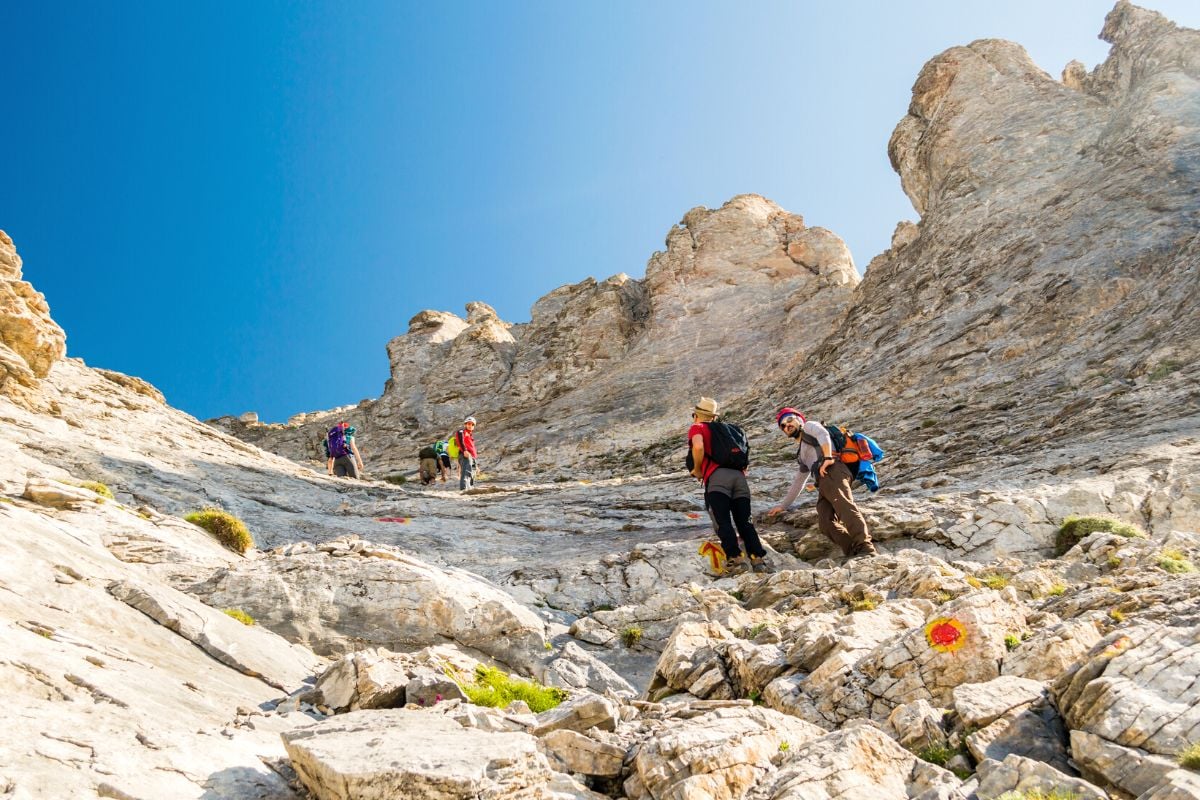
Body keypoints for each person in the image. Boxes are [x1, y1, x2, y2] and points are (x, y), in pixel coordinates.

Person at [767, 407, 877, 560]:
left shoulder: (809, 426)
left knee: (845, 507)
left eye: (790, 419)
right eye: (783, 426)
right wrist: (783, 506)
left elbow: (823, 434)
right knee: (826, 523)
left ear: (800, 419)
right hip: (825, 480)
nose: (787, 425)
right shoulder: (802, 452)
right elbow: (799, 481)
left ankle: (866, 547)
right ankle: (854, 552)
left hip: (834, 470)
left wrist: (827, 458)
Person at [688, 397, 769, 575]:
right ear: (714, 416)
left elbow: (698, 446)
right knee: (745, 522)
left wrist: (697, 469)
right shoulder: (733, 430)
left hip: (718, 479)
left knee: (722, 520)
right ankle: (758, 560)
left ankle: (736, 559)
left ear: (697, 415)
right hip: (739, 479)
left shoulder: (698, 427)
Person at [454, 416, 478, 491]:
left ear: (474, 426)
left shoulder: (470, 435)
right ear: (465, 424)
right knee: (466, 472)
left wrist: (475, 463)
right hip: (465, 455)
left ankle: (470, 489)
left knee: (472, 473)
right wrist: (464, 450)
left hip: (471, 457)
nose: (470, 425)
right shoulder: (461, 432)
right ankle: (464, 489)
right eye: (468, 424)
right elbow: (461, 441)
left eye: (472, 424)